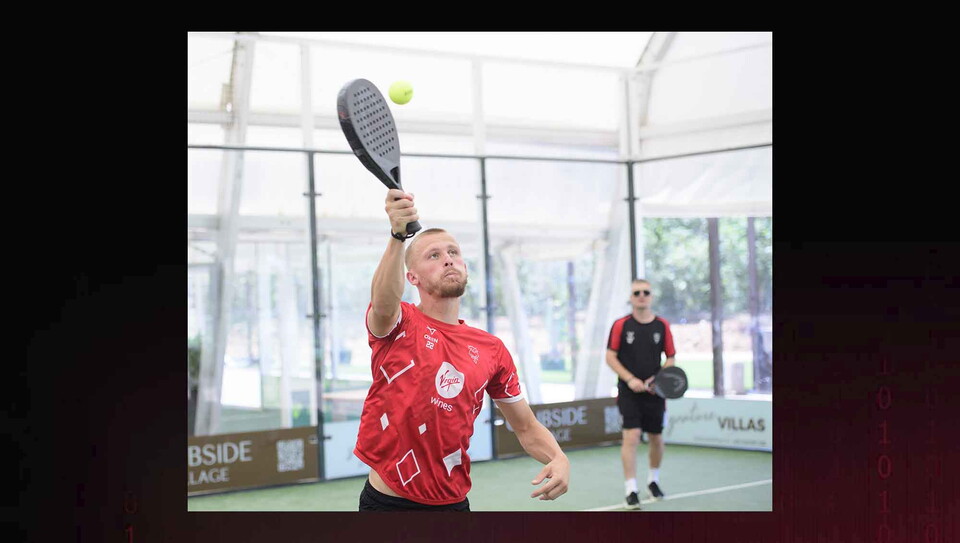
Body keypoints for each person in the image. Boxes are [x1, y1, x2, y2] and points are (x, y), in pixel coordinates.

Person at [355, 189, 570, 511]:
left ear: (465, 266)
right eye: (433, 255)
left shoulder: (491, 349)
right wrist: (398, 237)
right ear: (411, 276)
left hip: (454, 505)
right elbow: (384, 302)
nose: (447, 259)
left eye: (453, 252)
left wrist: (559, 457)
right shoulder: (398, 323)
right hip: (388, 504)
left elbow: (524, 425)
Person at [605, 279, 676, 509]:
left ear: (652, 296)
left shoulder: (662, 326)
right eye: (637, 293)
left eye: (646, 292)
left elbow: (671, 357)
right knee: (632, 436)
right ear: (631, 298)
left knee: (656, 437)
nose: (642, 296)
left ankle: (653, 482)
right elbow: (610, 357)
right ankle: (631, 489)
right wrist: (630, 379)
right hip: (629, 393)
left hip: (656, 393)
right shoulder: (620, 325)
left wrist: (659, 379)